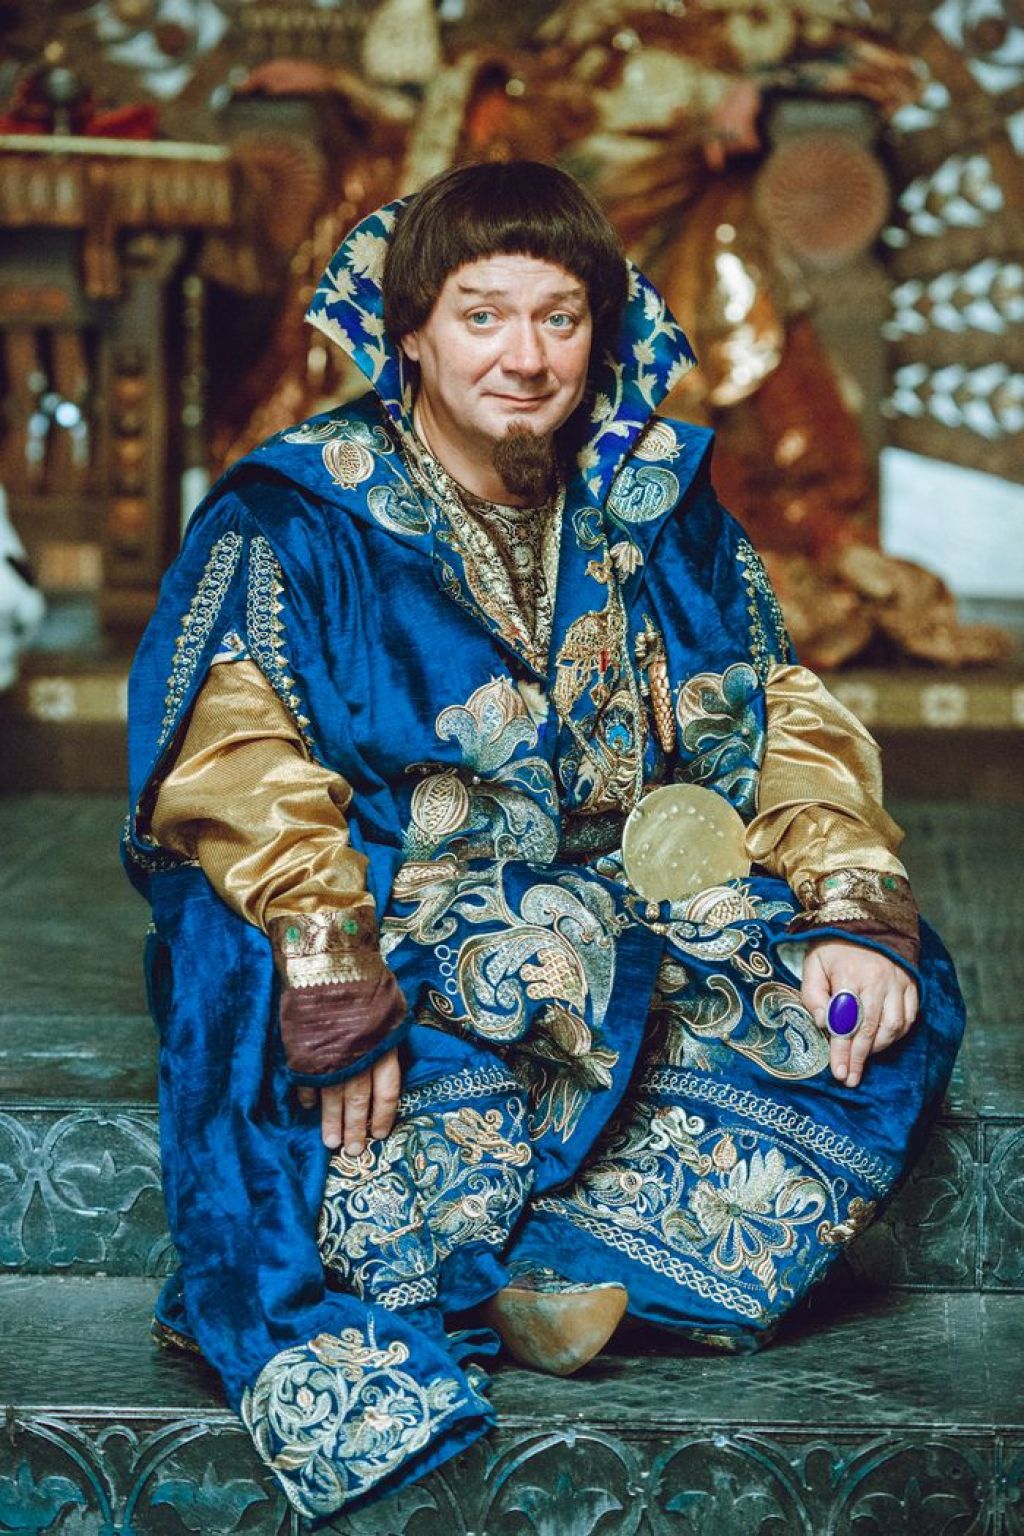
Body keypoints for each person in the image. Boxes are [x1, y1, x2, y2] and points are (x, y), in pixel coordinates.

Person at [124, 161, 965, 1523]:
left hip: (630, 905)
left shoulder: (654, 502)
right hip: (396, 919)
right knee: (342, 1091)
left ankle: (557, 1272)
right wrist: (327, 958)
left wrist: (851, 903)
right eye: (483, 315)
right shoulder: (294, 516)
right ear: (409, 331)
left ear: (598, 332)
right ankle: (471, 1270)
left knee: (873, 1011)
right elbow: (237, 758)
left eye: (559, 319)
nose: (525, 358)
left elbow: (774, 713)